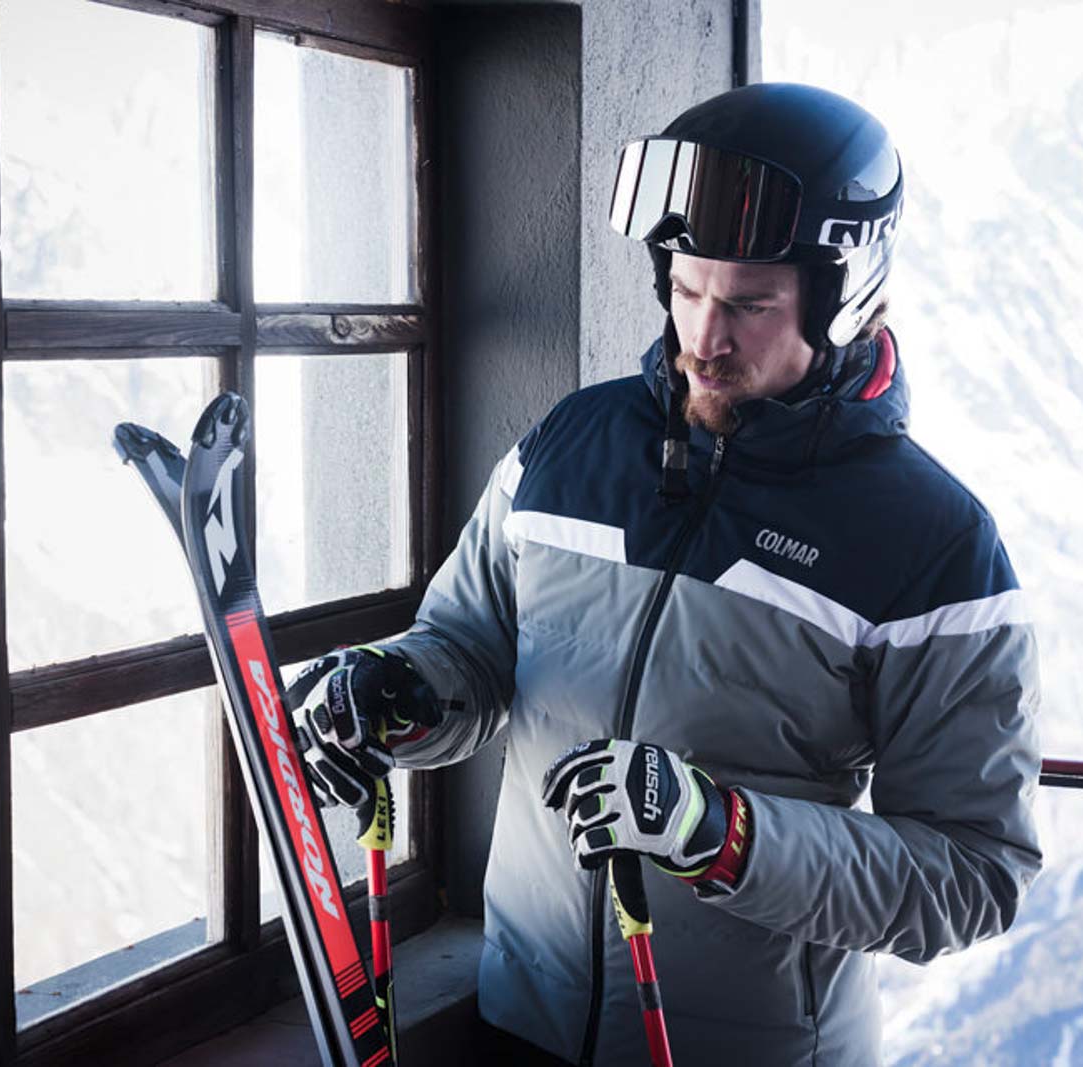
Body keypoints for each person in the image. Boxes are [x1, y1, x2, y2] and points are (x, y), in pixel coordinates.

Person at [286, 83, 1042, 1066]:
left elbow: (972, 870)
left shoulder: (932, 540)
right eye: (686, 291)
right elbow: (469, 649)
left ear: (847, 299)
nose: (704, 339)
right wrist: (398, 690)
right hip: (523, 1020)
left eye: (749, 306)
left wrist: (720, 832)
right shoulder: (570, 444)